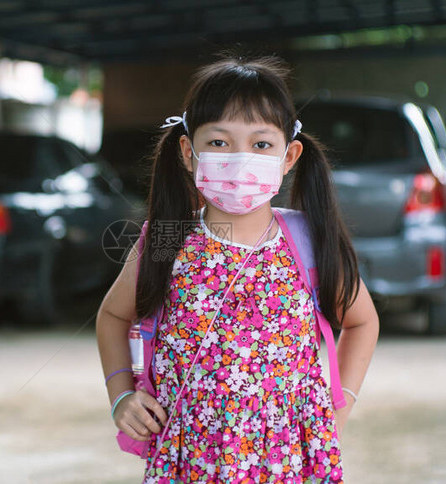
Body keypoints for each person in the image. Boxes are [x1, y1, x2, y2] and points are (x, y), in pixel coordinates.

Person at [96, 55, 379, 483]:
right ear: (189, 152)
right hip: (189, 460)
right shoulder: (166, 240)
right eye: (220, 143)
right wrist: (121, 397)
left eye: (261, 144)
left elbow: (362, 322)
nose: (241, 159)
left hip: (288, 462)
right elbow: (113, 316)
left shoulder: (308, 240)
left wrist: (343, 404)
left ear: (289, 156)